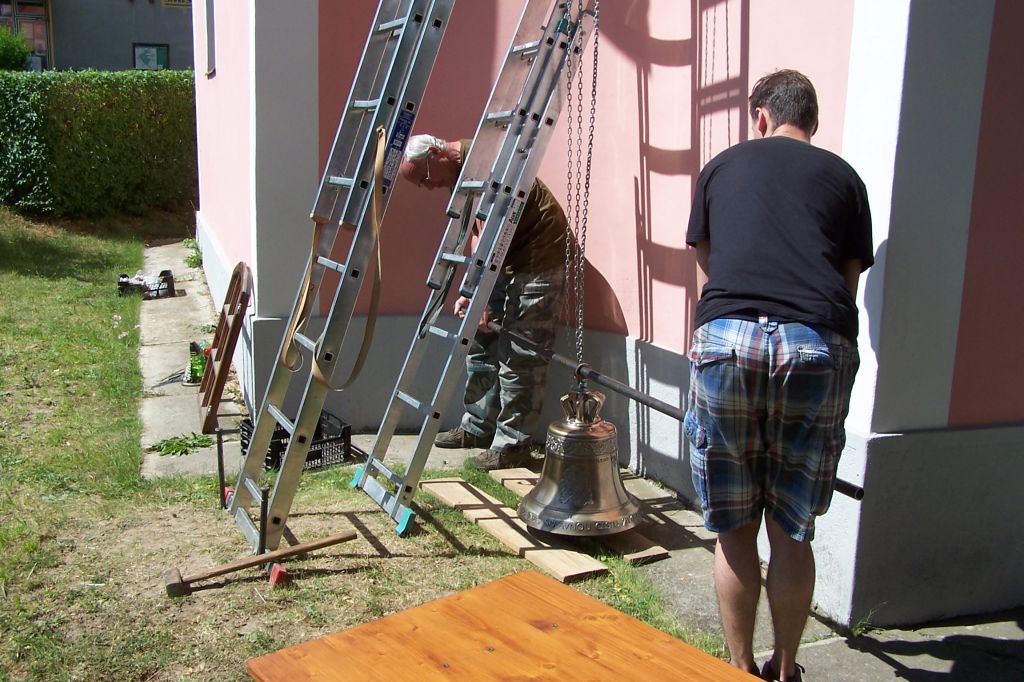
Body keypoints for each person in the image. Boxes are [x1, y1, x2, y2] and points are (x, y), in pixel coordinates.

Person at [684, 70, 873, 682]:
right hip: (814, 341)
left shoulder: (720, 167)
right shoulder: (846, 179)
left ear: (761, 117)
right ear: (811, 123)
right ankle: (786, 669)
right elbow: (847, 284)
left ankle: (739, 669)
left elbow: (710, 265)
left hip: (728, 338)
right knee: (792, 529)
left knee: (734, 527)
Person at [398, 134, 570, 470]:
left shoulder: (486, 163)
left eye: (425, 178)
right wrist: (471, 292)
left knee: (521, 354)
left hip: (538, 259)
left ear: (435, 153)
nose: (429, 188)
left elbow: (493, 236)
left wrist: (481, 295)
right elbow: (477, 233)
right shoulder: (459, 171)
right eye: (421, 185)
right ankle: (478, 427)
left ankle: (512, 445)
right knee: (481, 340)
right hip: (503, 258)